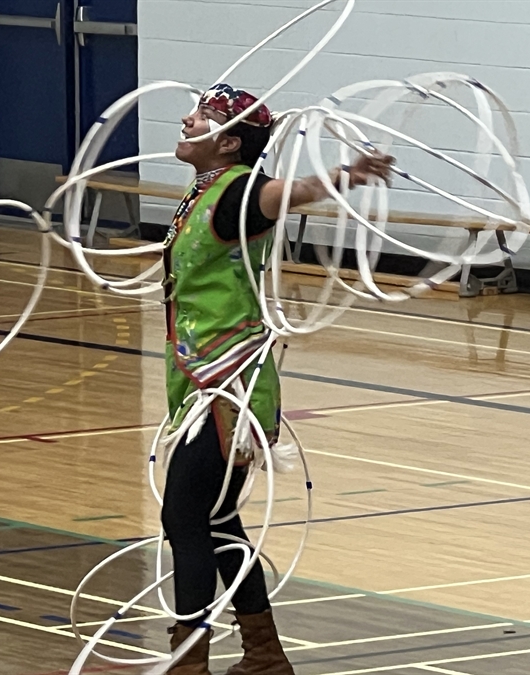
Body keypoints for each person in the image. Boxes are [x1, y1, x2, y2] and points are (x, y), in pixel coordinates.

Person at [161, 83, 394, 675]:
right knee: (216, 519)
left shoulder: (239, 190)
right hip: (200, 375)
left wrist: (344, 175)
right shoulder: (205, 189)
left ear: (230, 143)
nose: (186, 120)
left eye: (204, 117)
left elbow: (285, 193)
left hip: (229, 384)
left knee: (185, 518)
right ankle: (265, 655)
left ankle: (191, 661)